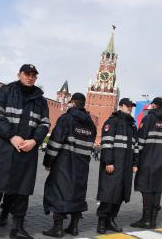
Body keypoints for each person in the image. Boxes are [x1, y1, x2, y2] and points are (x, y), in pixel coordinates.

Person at [0, 64, 50, 239]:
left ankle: (18, 227)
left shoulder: (41, 100)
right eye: (27, 74)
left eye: (33, 75)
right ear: (19, 74)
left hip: (26, 150)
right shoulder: (6, 91)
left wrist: (35, 140)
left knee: (22, 191)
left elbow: (45, 123)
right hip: (3, 149)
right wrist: (11, 136)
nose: (30, 77)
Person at [42, 93, 96, 237]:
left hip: (64, 164)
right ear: (84, 104)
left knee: (59, 193)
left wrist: (48, 162)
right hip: (82, 166)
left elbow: (55, 142)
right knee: (77, 194)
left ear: (72, 103)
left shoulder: (66, 119)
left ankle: (57, 228)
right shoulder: (91, 124)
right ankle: (74, 227)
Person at [131, 97, 162, 229]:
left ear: (154, 106)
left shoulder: (148, 118)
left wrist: (135, 162)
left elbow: (140, 141)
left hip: (148, 161)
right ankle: (153, 221)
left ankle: (146, 220)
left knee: (147, 190)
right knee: (157, 190)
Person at [96, 98, 137, 234]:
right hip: (113, 165)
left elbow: (135, 147)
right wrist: (109, 161)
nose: (130, 108)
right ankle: (102, 221)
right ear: (121, 106)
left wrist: (135, 163)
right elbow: (107, 143)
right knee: (108, 193)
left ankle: (111, 220)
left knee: (120, 194)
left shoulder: (132, 125)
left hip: (126, 166)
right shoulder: (112, 121)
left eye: (131, 106)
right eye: (128, 106)